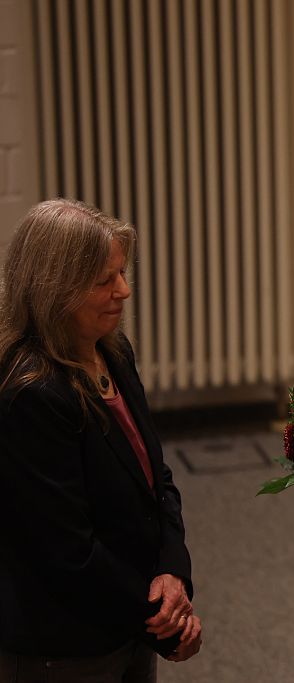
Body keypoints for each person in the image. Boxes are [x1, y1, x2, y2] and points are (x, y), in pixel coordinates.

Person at [0, 199, 202, 681]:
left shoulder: (112, 352)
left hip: (129, 619)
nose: (125, 290)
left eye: (122, 273)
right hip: (65, 643)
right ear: (55, 289)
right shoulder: (29, 393)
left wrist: (174, 573)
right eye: (104, 280)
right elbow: (66, 551)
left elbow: (156, 479)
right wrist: (164, 623)